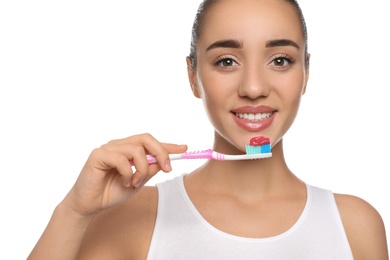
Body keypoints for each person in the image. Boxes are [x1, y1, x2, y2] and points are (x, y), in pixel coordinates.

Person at [28, 0, 388, 259]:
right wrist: (74, 212)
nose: (252, 87)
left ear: (305, 72)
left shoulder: (355, 226)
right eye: (226, 61)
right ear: (193, 76)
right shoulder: (134, 218)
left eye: (280, 60)